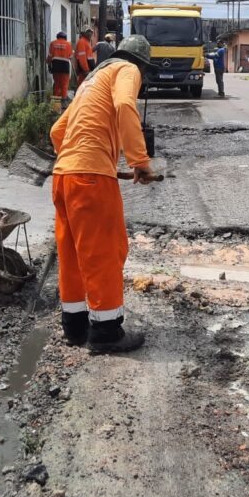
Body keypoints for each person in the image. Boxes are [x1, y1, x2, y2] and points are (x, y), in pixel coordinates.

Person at [49, 35, 159, 354]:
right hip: (90, 179)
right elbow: (125, 105)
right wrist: (139, 161)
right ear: (140, 62)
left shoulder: (91, 80)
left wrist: (87, 161)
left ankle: (75, 327)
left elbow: (57, 131)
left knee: (72, 255)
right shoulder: (127, 69)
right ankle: (107, 333)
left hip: (64, 175)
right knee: (104, 253)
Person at [47, 31, 73, 103]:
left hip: (55, 67)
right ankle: (64, 103)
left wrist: (49, 65)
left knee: (57, 85)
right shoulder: (68, 44)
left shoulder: (53, 43)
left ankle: (56, 106)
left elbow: (49, 57)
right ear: (65, 37)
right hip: (65, 67)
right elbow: (70, 57)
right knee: (64, 85)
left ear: (57, 37)